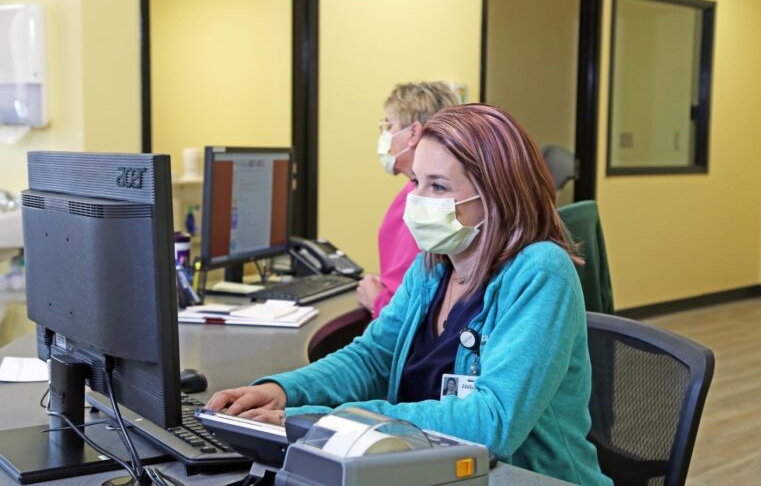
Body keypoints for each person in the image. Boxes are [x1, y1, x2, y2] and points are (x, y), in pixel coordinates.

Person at [207, 104, 612, 484]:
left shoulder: (539, 271)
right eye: (416, 181)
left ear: (497, 196)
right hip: (434, 468)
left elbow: (492, 423)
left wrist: (317, 420)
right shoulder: (435, 263)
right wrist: (282, 390)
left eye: (438, 186)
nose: (417, 199)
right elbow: (372, 358)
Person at [356, 82, 460, 318]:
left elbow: (425, 306)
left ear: (413, 133)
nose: (385, 136)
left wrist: (377, 301)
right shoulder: (414, 191)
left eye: (388, 125)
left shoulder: (428, 205)